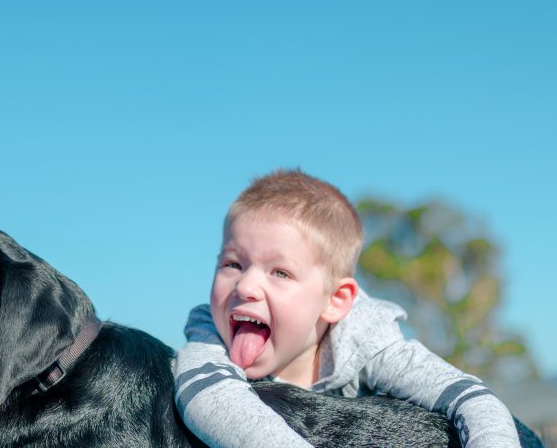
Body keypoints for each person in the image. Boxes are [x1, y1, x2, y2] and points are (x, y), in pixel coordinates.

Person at [173, 169, 519, 447]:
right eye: (232, 264)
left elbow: (472, 398)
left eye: (280, 272)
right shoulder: (209, 334)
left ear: (335, 301)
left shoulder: (366, 339)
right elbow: (210, 400)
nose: (245, 286)